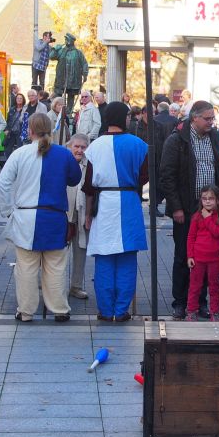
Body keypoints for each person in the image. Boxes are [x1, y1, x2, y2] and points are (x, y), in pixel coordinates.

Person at [0, 113, 81, 322]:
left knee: (26, 267)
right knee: (56, 267)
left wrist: (7, 211)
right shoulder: (63, 154)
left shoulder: (20, 153)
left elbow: (3, 184)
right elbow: (75, 179)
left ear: (30, 130)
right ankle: (60, 309)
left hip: (26, 217)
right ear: (50, 129)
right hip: (54, 218)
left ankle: (26, 311)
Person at [160, 101, 219, 319]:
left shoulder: (215, 137)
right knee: (184, 255)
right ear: (194, 118)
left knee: (207, 257)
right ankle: (180, 302)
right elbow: (167, 176)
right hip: (187, 206)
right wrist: (176, 207)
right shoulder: (177, 140)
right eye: (207, 119)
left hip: (211, 207)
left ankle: (200, 302)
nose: (211, 122)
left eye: (212, 118)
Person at [82, 102, 149, 322]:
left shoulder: (95, 146)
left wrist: (88, 214)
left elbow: (89, 185)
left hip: (104, 203)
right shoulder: (139, 144)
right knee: (127, 258)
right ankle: (121, 311)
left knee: (104, 259)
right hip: (128, 201)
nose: (130, 118)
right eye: (128, 115)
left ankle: (105, 310)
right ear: (122, 117)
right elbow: (145, 175)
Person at [186, 186, 219, 322]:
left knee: (214, 286)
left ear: (218, 200)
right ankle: (192, 311)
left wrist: (208, 218)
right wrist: (190, 256)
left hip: (215, 258)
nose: (207, 201)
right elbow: (191, 237)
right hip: (198, 258)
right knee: (195, 286)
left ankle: (215, 312)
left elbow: (217, 232)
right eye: (204, 199)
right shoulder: (196, 216)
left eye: (211, 198)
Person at [65, 134, 90, 300]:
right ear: (70, 147)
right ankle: (53, 286)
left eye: (83, 147)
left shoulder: (90, 165)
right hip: (64, 214)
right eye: (76, 146)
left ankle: (76, 286)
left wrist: (89, 214)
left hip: (81, 214)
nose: (80, 150)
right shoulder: (63, 162)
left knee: (80, 251)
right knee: (57, 253)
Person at [5, 92, 28, 158]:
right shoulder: (12, 109)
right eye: (18, 98)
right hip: (11, 132)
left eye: (21, 98)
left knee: (20, 149)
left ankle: (19, 162)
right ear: (15, 99)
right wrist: (6, 129)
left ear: (23, 100)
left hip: (20, 132)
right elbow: (8, 120)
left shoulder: (25, 109)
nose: (19, 100)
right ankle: (9, 161)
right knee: (8, 150)